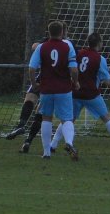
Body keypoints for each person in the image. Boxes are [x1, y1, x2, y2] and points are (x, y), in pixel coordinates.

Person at [51, 33, 110, 154]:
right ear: (99, 43)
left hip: (75, 93)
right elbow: (108, 82)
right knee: (107, 118)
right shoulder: (100, 59)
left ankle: (53, 145)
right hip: (91, 94)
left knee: (68, 120)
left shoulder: (78, 54)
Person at [28, 20, 79, 159]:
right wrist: (75, 81)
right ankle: (69, 142)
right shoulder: (68, 46)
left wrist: (34, 83)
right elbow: (73, 69)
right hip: (64, 88)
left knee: (46, 118)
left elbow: (32, 68)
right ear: (62, 32)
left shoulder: (42, 47)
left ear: (48, 33)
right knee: (67, 118)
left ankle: (46, 153)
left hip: (46, 89)